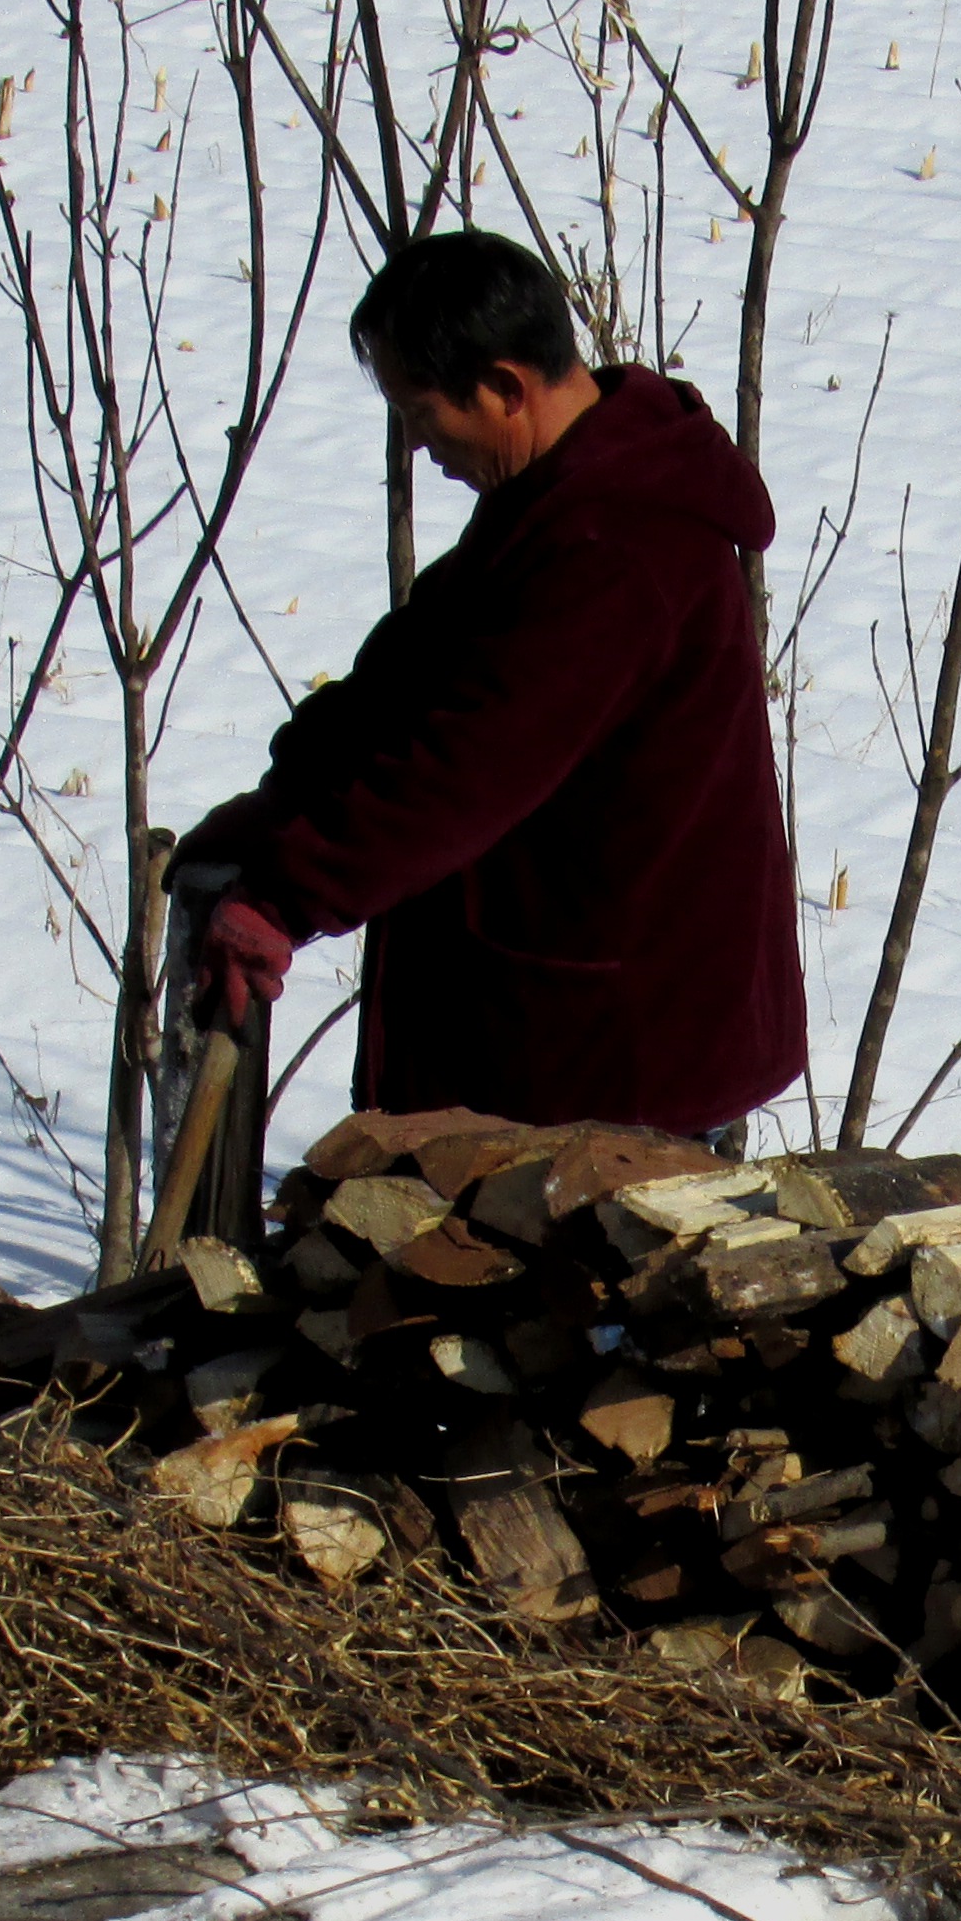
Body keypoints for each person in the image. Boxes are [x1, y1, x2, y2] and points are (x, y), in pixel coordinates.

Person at [160, 231, 803, 1230]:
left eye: (424, 415)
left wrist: (290, 894)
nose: (419, 446)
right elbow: (418, 666)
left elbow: (465, 768)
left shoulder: (615, 546)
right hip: (560, 1032)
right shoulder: (561, 493)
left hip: (619, 1059)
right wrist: (286, 805)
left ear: (506, 386)